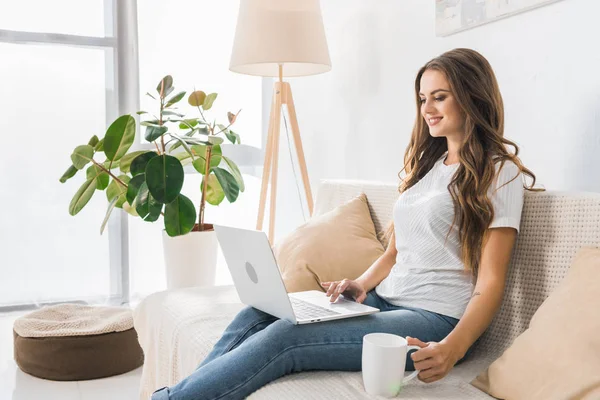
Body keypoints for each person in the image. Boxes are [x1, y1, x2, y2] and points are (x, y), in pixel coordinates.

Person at [151, 48, 544, 400]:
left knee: (286, 338)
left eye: (439, 97)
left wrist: (453, 348)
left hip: (435, 319)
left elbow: (491, 282)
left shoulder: (499, 173)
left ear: (473, 97)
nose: (427, 108)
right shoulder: (429, 169)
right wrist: (360, 284)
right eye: (423, 98)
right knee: (258, 313)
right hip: (385, 299)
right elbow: (395, 251)